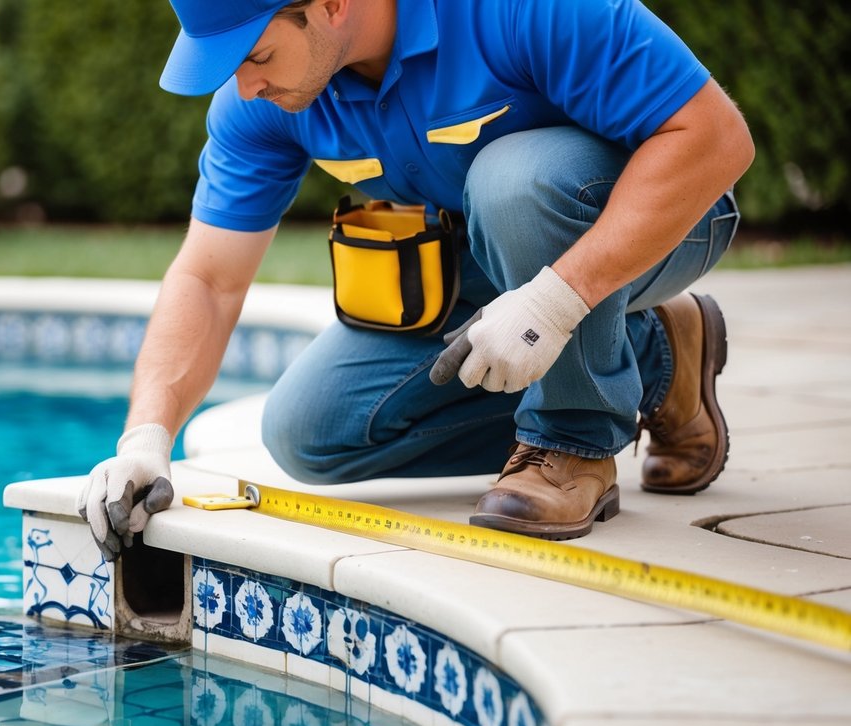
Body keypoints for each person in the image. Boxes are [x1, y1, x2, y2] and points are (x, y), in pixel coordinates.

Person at [78, 0, 753, 553]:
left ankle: (570, 444)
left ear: (332, 6)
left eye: (255, 56)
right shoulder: (260, 101)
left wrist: (555, 301)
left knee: (512, 181)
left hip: (667, 215)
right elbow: (207, 278)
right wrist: (145, 436)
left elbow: (714, 138)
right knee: (310, 432)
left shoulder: (516, 10)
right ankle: (656, 357)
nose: (245, 85)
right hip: (481, 266)